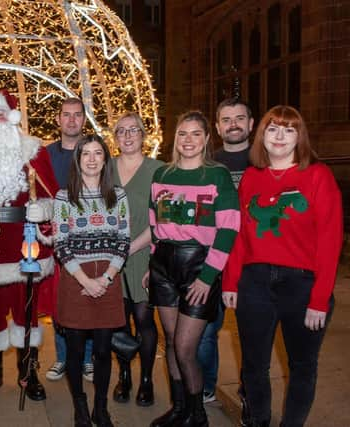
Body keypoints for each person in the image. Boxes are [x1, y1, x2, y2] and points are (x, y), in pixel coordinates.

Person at [222, 105, 342, 427]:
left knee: (302, 366)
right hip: (255, 282)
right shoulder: (251, 177)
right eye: (273, 128)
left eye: (289, 130)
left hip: (302, 285)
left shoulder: (318, 175)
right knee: (253, 364)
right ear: (262, 134)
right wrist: (231, 282)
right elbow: (241, 235)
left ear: (298, 137)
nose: (280, 136)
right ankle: (258, 421)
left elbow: (331, 241)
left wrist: (319, 298)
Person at [0, 91, 59, 402]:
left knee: (26, 315)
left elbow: (53, 201)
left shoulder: (33, 153)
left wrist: (42, 212)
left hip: (23, 250)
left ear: (12, 119)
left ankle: (28, 373)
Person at [146, 111, 240, 427]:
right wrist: (152, 262)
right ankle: (179, 409)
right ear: (177, 139)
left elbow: (228, 229)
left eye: (196, 133)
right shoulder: (162, 174)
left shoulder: (217, 175)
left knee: (186, 347)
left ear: (205, 139)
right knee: (171, 342)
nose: (189, 140)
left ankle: (197, 414)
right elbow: (154, 223)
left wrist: (208, 277)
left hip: (199, 265)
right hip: (163, 266)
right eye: (183, 134)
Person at [53, 134, 131, 427]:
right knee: (74, 350)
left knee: (101, 350)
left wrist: (107, 278)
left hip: (109, 280)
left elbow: (123, 240)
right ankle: (80, 406)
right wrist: (86, 280)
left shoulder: (118, 195)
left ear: (105, 160)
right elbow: (61, 242)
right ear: (78, 159)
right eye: (86, 153)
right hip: (76, 279)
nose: (92, 159)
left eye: (98, 153)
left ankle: (101, 407)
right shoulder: (64, 197)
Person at [198, 97, 254, 406]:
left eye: (240, 118)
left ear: (251, 123)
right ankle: (207, 384)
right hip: (215, 259)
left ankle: (248, 388)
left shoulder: (264, 159)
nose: (233, 124)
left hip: (253, 263)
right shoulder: (210, 164)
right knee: (207, 329)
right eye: (227, 119)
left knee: (251, 333)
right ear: (218, 127)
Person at [110, 112, 163, 406]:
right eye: (121, 131)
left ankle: (146, 380)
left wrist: (131, 248)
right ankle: (124, 376)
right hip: (111, 258)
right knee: (119, 321)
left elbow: (163, 220)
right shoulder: (105, 169)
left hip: (145, 254)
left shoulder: (160, 170)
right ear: (115, 137)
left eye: (134, 130)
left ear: (144, 135)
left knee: (144, 318)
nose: (128, 136)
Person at [44, 97, 94, 383]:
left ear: (84, 120)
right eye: (66, 115)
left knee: (87, 297)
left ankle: (86, 358)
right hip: (56, 238)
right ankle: (63, 357)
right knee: (60, 299)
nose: (72, 120)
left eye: (77, 115)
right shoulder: (46, 155)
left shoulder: (93, 152)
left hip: (89, 237)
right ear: (58, 119)